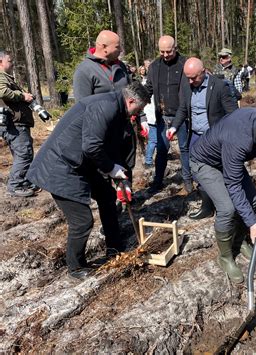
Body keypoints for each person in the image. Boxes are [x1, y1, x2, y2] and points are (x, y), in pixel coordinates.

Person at [26, 82, 150, 280]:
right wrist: (111, 169)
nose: (139, 113)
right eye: (140, 108)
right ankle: (75, 268)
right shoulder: (106, 106)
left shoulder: (118, 110)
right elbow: (92, 146)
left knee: (107, 196)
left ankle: (114, 246)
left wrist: (122, 178)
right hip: (60, 167)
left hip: (81, 164)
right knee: (82, 221)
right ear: (131, 100)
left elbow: (113, 147)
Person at [190, 107, 256, 283]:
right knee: (227, 208)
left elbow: (255, 141)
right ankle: (225, 257)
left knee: (252, 199)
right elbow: (233, 185)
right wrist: (253, 224)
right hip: (206, 162)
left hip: (226, 156)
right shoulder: (237, 140)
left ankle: (239, 241)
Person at [72, 30, 147, 199]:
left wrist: (141, 119)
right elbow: (83, 108)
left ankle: (126, 197)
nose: (121, 50)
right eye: (118, 47)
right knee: (105, 174)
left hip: (124, 132)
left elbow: (134, 94)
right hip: (102, 135)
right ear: (104, 47)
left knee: (126, 168)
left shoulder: (120, 67)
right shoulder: (84, 71)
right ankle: (110, 208)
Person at [167, 57, 238, 219]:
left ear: (204, 71)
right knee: (198, 171)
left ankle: (226, 205)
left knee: (219, 170)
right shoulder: (186, 85)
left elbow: (233, 114)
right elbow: (183, 109)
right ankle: (207, 206)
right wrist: (173, 127)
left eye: (194, 77)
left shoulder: (219, 86)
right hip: (196, 136)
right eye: (188, 77)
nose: (191, 81)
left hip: (214, 137)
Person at [145, 35, 192, 193]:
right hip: (162, 115)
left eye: (168, 51)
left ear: (175, 48)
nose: (165, 55)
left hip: (183, 115)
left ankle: (188, 181)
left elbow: (189, 92)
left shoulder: (184, 64)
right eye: (162, 51)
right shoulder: (154, 66)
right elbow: (149, 89)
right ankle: (157, 181)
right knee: (162, 149)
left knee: (184, 149)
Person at [0, 51, 40, 197]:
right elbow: (3, 92)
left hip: (17, 123)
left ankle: (24, 181)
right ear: (1, 62)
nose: (12, 63)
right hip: (14, 124)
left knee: (22, 154)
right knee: (24, 154)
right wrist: (23, 95)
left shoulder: (7, 78)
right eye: (9, 61)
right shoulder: (1, 77)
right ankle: (15, 185)